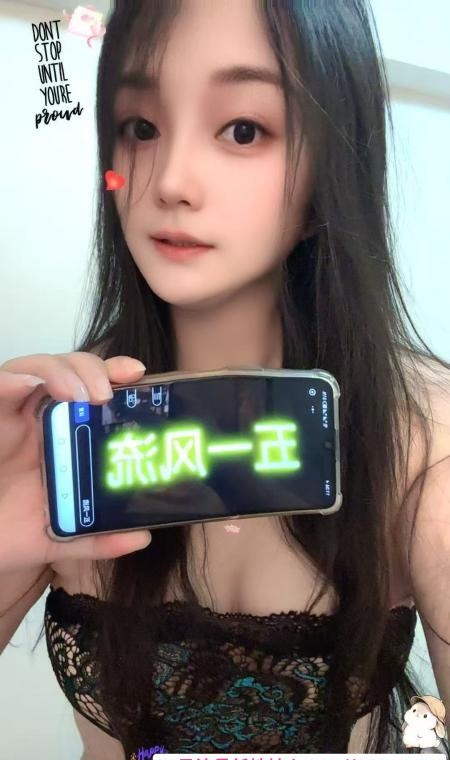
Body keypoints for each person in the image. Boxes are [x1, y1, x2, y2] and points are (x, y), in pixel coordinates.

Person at [0, 0, 449, 757]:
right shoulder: (59, 427)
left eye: (243, 129)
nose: (170, 181)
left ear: (332, 161)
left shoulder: (426, 442)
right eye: (141, 126)